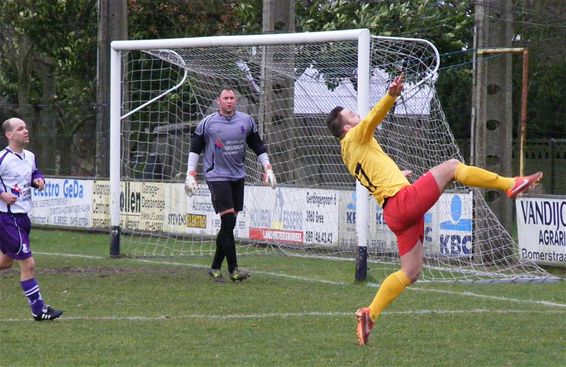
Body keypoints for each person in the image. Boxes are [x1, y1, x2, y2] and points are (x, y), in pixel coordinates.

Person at [325, 73, 542, 346]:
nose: (356, 115)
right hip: (402, 203)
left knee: (411, 272)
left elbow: (373, 173)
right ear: (346, 128)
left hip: (394, 213)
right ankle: (511, 184)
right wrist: (391, 95)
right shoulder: (356, 135)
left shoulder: (347, 151)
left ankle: (370, 314)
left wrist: (397, 175)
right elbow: (372, 119)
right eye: (351, 114)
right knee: (452, 167)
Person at [185, 87, 277, 283]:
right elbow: (195, 148)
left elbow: (257, 145)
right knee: (227, 221)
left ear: (236, 101)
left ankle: (215, 267)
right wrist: (190, 173)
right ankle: (234, 269)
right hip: (216, 176)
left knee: (230, 224)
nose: (229, 101)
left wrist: (267, 167)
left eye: (232, 98)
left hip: (237, 176)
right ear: (219, 102)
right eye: (225, 98)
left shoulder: (246, 121)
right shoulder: (208, 123)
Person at [0, 117, 63, 321]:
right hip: (8, 218)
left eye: (26, 127)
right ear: (9, 135)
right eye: (20, 129)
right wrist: (2, 195)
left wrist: (39, 179)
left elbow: (34, 172)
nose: (25, 131)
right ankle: (39, 309)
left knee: (6, 262)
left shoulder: (29, 156)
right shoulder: (3, 158)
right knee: (28, 264)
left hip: (23, 217)